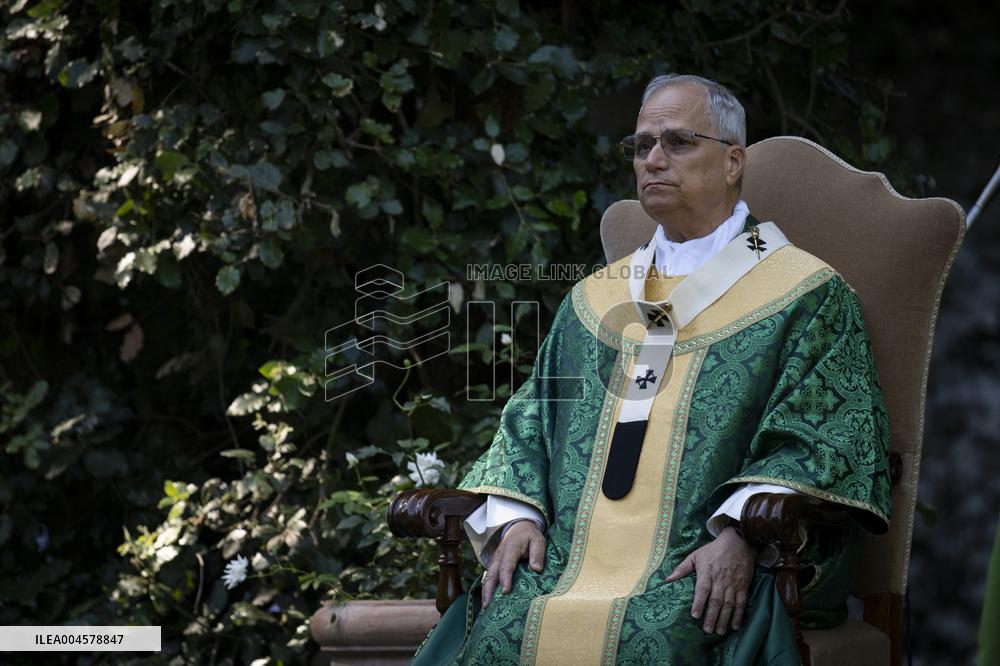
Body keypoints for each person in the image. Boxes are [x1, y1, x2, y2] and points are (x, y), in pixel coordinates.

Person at [412, 73, 891, 665]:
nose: (653, 159)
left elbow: (824, 441)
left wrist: (741, 537)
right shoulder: (592, 304)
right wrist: (516, 520)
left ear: (732, 162)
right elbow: (529, 428)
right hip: (566, 564)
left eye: (677, 142)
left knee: (657, 641)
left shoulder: (805, 295)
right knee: (506, 624)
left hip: (703, 564)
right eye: (641, 146)